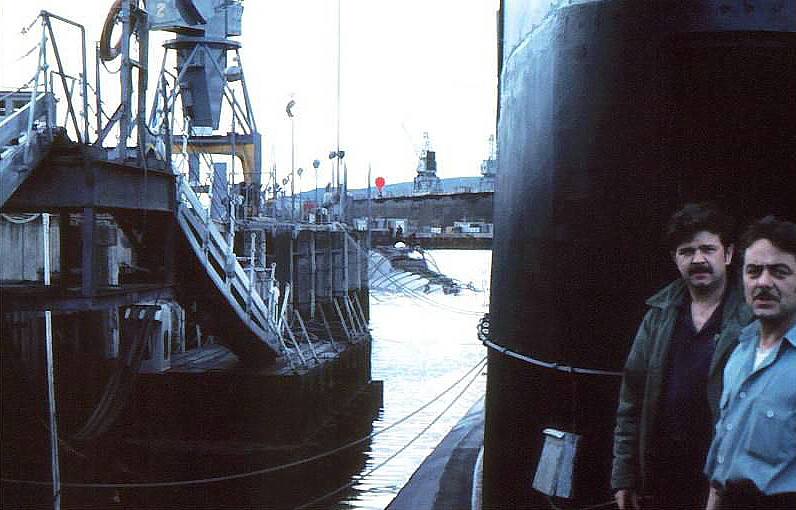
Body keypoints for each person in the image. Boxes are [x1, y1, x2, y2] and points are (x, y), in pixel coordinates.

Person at [611, 203, 752, 509]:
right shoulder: (658, 317)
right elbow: (631, 402)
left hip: (724, 481)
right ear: (675, 259)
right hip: (665, 476)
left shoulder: (753, 320)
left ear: (727, 255)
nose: (698, 259)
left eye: (707, 249)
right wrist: (625, 476)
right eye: (687, 251)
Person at [704, 217, 796, 509]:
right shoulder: (739, 353)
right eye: (754, 271)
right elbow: (722, 467)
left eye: (779, 272)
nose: (764, 282)